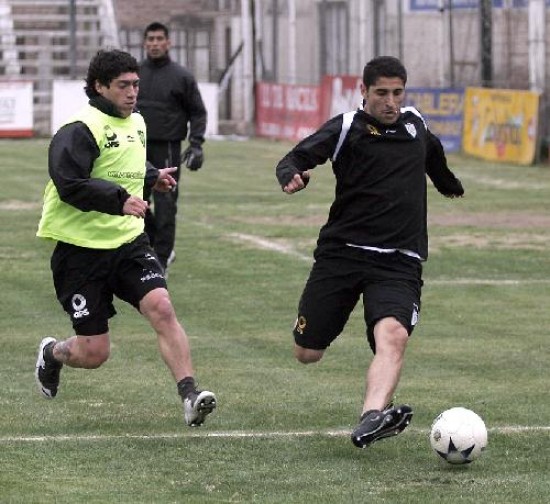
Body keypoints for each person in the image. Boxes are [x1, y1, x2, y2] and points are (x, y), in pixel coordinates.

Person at [275, 56, 464, 448]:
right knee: (306, 352)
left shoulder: (415, 123)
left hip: (399, 260)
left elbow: (432, 156)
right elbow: (294, 157)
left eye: (397, 93)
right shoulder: (346, 127)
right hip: (342, 254)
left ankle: (373, 416)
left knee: (392, 336)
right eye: (381, 93)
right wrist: (290, 174)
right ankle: (375, 405)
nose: (391, 102)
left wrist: (448, 184)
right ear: (363, 92)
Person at [35, 49, 216, 427]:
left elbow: (125, 164)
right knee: (94, 352)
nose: (133, 92)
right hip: (80, 251)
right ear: (100, 86)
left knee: (162, 308)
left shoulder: (136, 121)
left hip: (128, 243)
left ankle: (189, 395)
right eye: (123, 85)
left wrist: (151, 177)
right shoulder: (79, 128)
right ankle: (53, 353)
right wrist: (120, 200)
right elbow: (70, 183)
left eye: (136, 84)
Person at [137, 21, 207, 272]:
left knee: (166, 207)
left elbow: (198, 113)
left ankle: (162, 260)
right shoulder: (134, 74)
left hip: (167, 149)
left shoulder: (182, 77)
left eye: (159, 39)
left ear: (168, 42)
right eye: (150, 39)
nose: (154, 43)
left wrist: (196, 144)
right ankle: (156, 244)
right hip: (136, 148)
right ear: (144, 43)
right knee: (136, 204)